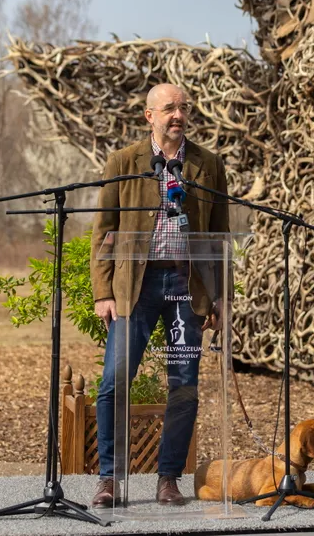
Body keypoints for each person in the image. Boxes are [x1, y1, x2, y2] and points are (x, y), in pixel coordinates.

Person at [89, 83, 230, 508]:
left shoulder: (208, 164)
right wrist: (102, 291)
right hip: (136, 287)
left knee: (184, 385)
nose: (178, 115)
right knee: (114, 382)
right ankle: (109, 479)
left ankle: (168, 479)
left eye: (183, 108)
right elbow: (103, 231)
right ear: (149, 115)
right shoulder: (124, 162)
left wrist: (221, 296)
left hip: (188, 288)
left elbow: (219, 234)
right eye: (169, 108)